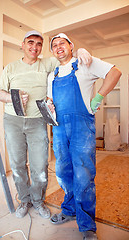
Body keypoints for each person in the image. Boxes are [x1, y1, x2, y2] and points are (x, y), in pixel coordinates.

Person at [0, 30, 92, 220]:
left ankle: (38, 201)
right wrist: (10, 98)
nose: (35, 47)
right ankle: (24, 200)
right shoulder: (11, 68)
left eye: (39, 44)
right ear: (22, 45)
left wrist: (80, 50)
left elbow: (66, 56)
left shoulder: (47, 62)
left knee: (39, 165)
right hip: (13, 121)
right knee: (17, 164)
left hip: (38, 121)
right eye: (30, 43)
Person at [47, 33, 122, 239]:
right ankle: (69, 210)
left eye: (62, 43)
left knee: (84, 175)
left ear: (71, 46)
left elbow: (114, 73)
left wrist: (98, 97)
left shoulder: (83, 62)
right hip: (59, 128)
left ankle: (87, 224)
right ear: (52, 51)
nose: (58, 47)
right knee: (63, 173)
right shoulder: (51, 75)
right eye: (54, 45)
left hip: (81, 127)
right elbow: (49, 97)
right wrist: (49, 104)